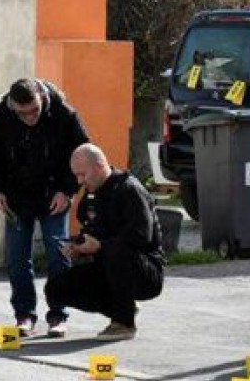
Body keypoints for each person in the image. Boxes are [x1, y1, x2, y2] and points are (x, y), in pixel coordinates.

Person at [0, 77, 89, 337]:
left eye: (35, 111)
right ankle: (24, 315)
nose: (29, 117)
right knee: (17, 259)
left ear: (42, 97)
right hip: (16, 199)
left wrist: (67, 190)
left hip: (53, 195)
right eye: (22, 113)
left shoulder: (64, 115)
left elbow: (82, 152)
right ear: (12, 106)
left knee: (58, 255)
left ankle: (58, 315)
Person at [44, 143, 165, 341]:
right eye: (76, 175)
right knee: (56, 288)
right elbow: (90, 231)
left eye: (83, 174)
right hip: (108, 267)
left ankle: (124, 323)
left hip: (145, 270)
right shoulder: (92, 194)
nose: (79, 181)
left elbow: (140, 236)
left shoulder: (129, 190)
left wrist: (101, 246)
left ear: (99, 166)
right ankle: (124, 308)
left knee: (115, 252)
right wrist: (78, 247)